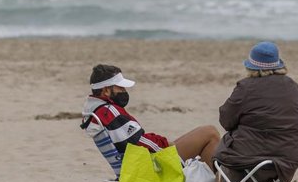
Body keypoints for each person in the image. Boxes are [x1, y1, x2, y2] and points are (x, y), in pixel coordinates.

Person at [213, 41, 298, 182]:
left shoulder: (246, 87)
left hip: (254, 155)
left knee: (228, 152)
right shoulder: (293, 86)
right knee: (256, 148)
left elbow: (226, 120)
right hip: (289, 155)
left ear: (252, 66)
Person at [81, 64, 221, 170]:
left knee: (199, 136)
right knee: (210, 132)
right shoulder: (111, 113)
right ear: (106, 90)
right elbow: (137, 143)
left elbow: (131, 141)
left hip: (134, 164)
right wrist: (167, 147)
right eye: (120, 88)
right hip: (149, 167)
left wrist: (164, 142)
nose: (124, 91)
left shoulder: (96, 111)